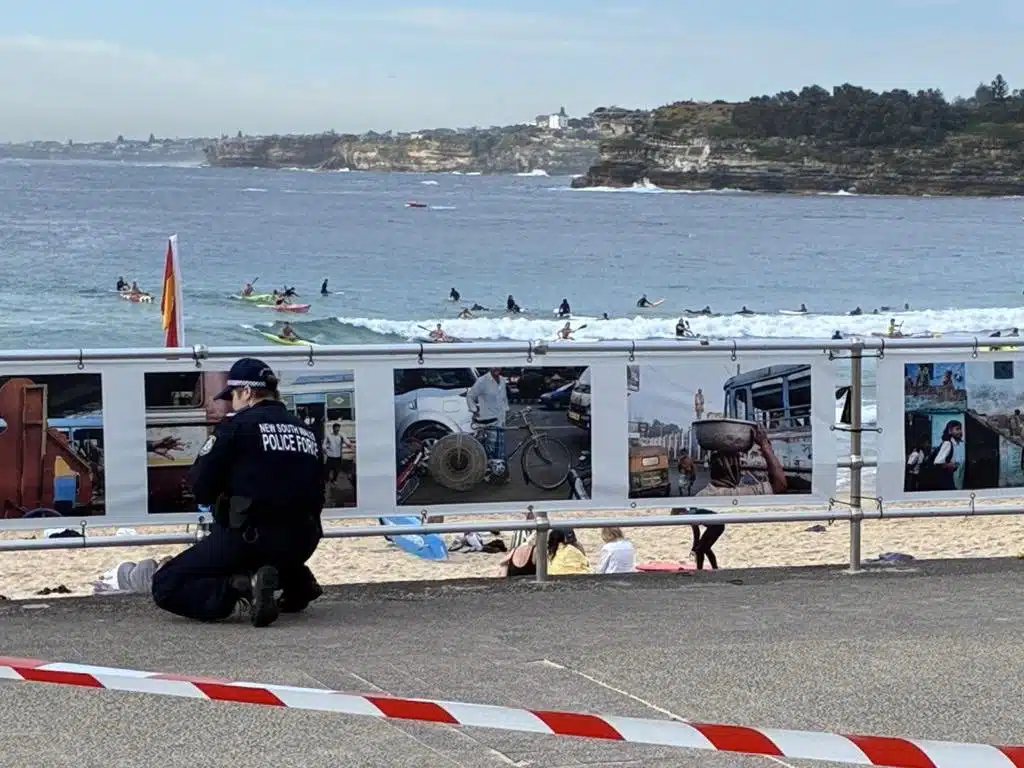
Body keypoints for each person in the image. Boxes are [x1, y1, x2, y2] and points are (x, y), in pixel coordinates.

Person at [151, 358, 325, 627]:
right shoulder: (307, 431)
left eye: (232, 395)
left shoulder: (236, 428)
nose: (232, 403)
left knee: (166, 584)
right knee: (275, 534)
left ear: (245, 391)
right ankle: (294, 579)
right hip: (303, 541)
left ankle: (242, 586)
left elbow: (201, 485)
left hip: (250, 539)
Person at [696, 425, 788, 496]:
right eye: (737, 464)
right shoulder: (735, 494)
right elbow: (780, 484)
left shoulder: (700, 495)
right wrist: (765, 445)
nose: (740, 471)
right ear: (730, 468)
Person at [467, 368, 508, 473]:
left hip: (500, 419)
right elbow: (470, 396)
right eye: (494, 366)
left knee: (500, 450)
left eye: (499, 366)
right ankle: (487, 473)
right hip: (488, 419)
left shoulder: (502, 380)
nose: (497, 368)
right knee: (490, 449)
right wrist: (474, 410)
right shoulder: (482, 381)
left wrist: (506, 410)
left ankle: (499, 473)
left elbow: (504, 398)